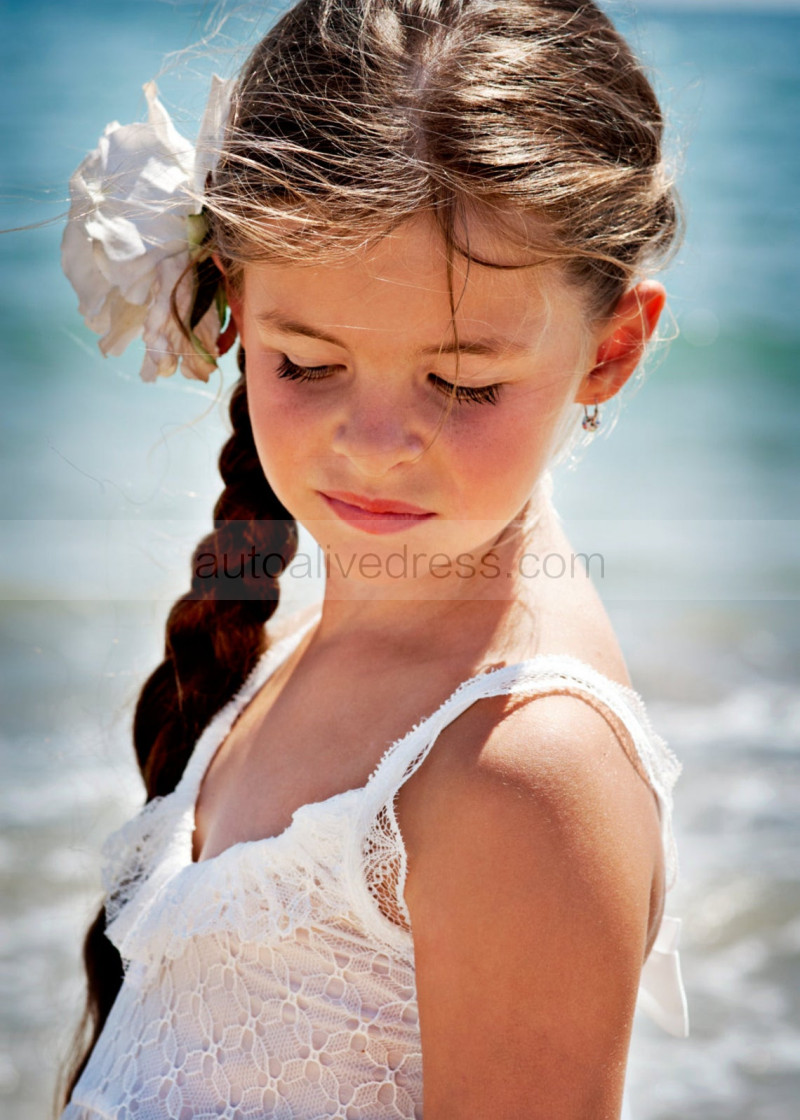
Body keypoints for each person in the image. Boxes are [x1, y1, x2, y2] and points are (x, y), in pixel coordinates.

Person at [58, 1, 689, 1116]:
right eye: (305, 362)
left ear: (611, 350)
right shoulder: (314, 643)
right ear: (235, 309)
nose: (374, 443)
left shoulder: (520, 773)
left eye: (460, 383)